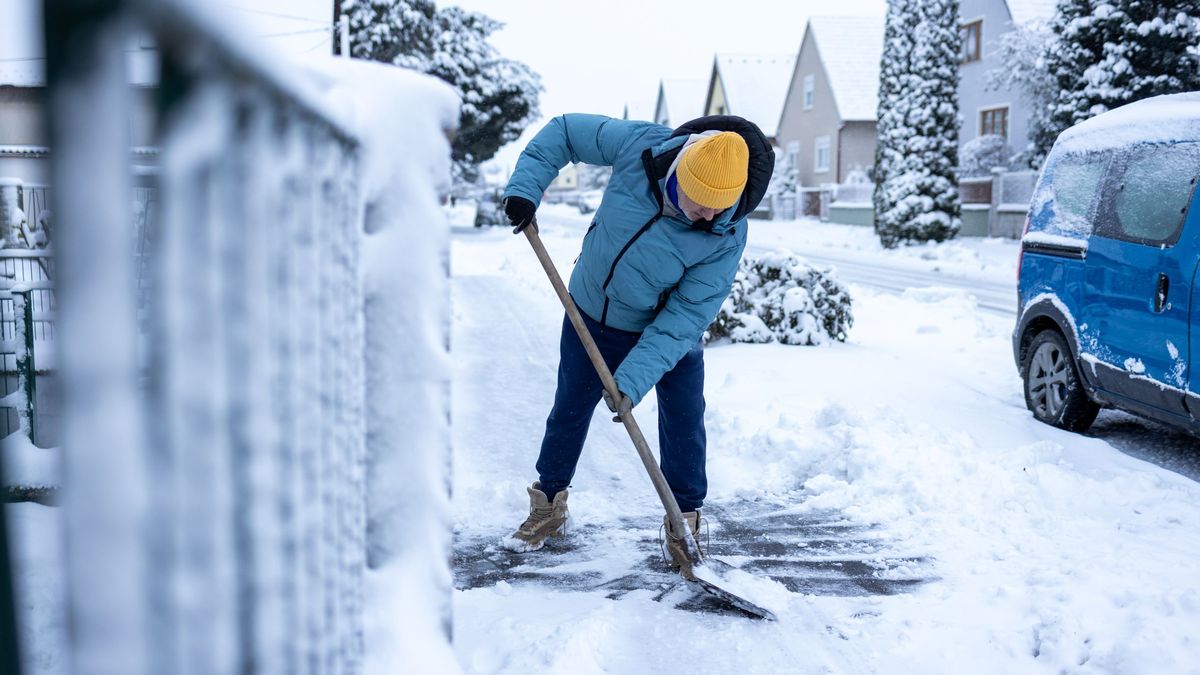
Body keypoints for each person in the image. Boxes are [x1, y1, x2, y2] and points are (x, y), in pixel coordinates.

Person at [499, 113, 774, 579]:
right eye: (701, 204)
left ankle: (684, 524)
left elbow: (684, 318)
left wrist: (632, 380)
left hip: (665, 330)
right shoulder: (641, 147)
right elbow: (563, 132)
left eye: (720, 208)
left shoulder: (727, 233)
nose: (709, 217)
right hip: (590, 311)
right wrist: (526, 189)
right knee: (570, 407)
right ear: (680, 174)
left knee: (684, 419)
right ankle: (548, 506)